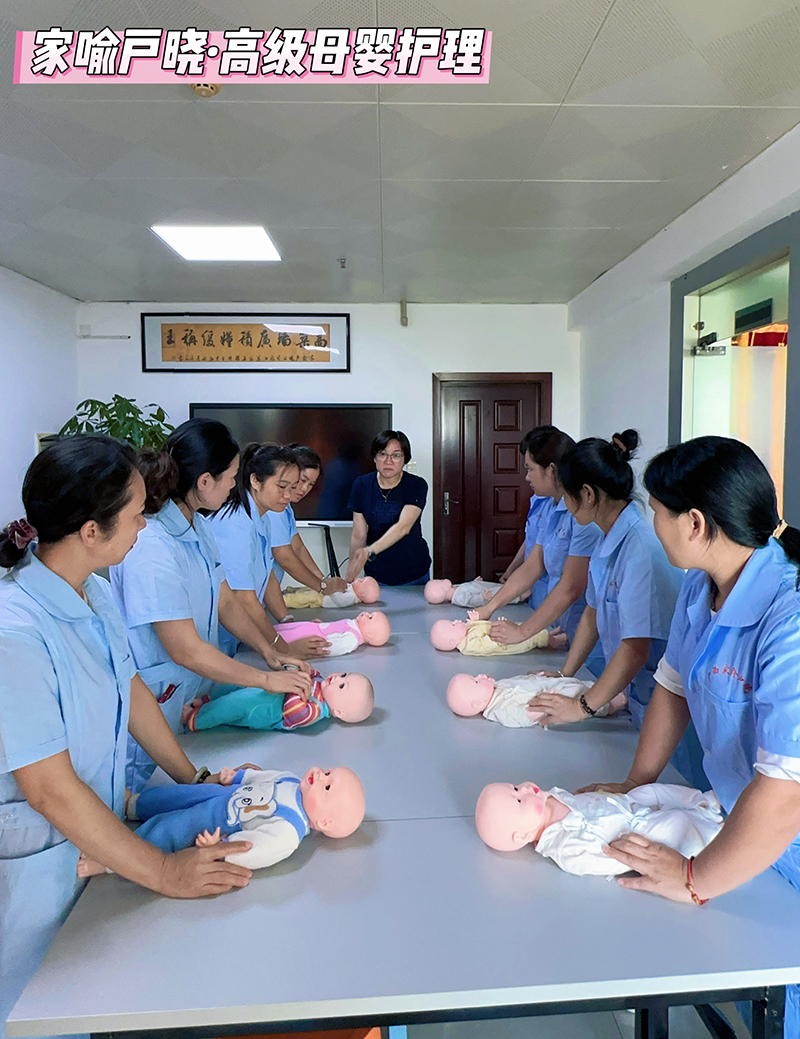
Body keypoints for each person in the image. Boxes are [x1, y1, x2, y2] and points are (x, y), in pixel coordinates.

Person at [0, 437, 254, 1039]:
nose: (146, 525)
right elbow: (49, 789)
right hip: (42, 866)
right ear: (92, 531)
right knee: (41, 1011)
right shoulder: (16, 632)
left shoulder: (93, 589)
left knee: (104, 993)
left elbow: (131, 688)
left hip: (96, 845)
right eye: (138, 514)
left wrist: (193, 779)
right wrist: (165, 871)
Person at [579, 436, 800, 1035]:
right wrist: (636, 784)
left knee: (780, 988)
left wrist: (694, 880)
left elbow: (786, 792)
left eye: (657, 510)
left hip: (783, 837)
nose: (652, 524)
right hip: (741, 825)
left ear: (695, 523)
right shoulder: (702, 588)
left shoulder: (790, 617)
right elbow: (672, 687)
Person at [110, 419, 312, 791]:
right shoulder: (153, 546)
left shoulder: (198, 526)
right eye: (232, 477)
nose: (235, 486)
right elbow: (185, 649)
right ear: (205, 481)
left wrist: (269, 652)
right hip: (155, 701)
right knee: (133, 793)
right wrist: (266, 679)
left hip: (185, 694)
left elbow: (228, 601)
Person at [526, 432, 687, 738]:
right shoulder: (607, 540)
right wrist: (564, 675)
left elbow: (635, 649)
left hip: (662, 702)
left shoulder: (640, 548)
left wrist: (580, 707)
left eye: (567, 495)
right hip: (635, 694)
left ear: (587, 494)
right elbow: (593, 612)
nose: (565, 504)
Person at [77, 765, 366, 875]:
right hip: (220, 794)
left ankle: (111, 860)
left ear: (324, 823)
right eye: (328, 772)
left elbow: (254, 849)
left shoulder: (288, 831)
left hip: (217, 822)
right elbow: (263, 777)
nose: (321, 776)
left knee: (171, 830)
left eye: (327, 787)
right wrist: (238, 777)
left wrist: (221, 847)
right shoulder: (291, 779)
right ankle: (134, 805)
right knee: (176, 796)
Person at [472, 426, 602, 658]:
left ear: (551, 470)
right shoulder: (551, 506)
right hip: (561, 623)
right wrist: (489, 608)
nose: (527, 477)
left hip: (591, 635)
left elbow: (571, 586)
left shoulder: (583, 515)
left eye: (530, 469)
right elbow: (533, 564)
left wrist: (522, 632)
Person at [208, 444, 330, 660]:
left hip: (239, 632)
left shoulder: (262, 517)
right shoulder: (236, 524)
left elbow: (267, 575)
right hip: (219, 636)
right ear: (255, 481)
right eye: (281, 487)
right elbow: (243, 598)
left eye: (293, 487)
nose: (288, 495)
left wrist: (287, 625)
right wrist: (282, 647)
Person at [475, 780, 722, 875]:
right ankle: (713, 832)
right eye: (519, 800)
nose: (526, 789)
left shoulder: (549, 798)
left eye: (515, 787)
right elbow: (606, 859)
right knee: (675, 824)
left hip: (627, 805)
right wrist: (633, 858)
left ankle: (702, 803)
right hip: (635, 833)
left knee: (651, 791)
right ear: (523, 836)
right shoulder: (565, 849)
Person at [346, 430, 431, 586]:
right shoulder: (362, 485)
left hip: (413, 572)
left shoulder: (416, 485)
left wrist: (369, 551)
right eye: (382, 454)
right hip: (376, 574)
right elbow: (358, 534)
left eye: (396, 455)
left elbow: (403, 527)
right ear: (374, 457)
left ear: (405, 459)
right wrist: (351, 574)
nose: (388, 461)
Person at [181, 670, 374, 732]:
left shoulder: (315, 711)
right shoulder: (320, 683)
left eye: (342, 686)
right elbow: (309, 674)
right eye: (344, 675)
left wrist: (297, 686)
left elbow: (293, 713)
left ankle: (195, 719)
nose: (337, 678)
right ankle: (206, 701)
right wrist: (304, 670)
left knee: (233, 705)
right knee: (233, 684)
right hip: (265, 689)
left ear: (339, 711)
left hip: (263, 709)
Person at [270, 445, 347, 598]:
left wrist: (323, 580)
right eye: (302, 480)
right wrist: (322, 586)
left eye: (311, 484)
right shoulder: (273, 507)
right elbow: (284, 557)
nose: (304, 489)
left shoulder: (286, 508)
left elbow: (298, 547)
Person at [446, 672, 626, 725]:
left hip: (546, 684)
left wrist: (532, 677)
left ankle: (604, 688)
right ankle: (608, 705)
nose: (480, 675)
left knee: (577, 684)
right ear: (477, 703)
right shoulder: (500, 710)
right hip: (553, 698)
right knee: (577, 694)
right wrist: (544, 706)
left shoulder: (496, 687)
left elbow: (517, 681)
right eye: (476, 681)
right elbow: (521, 717)